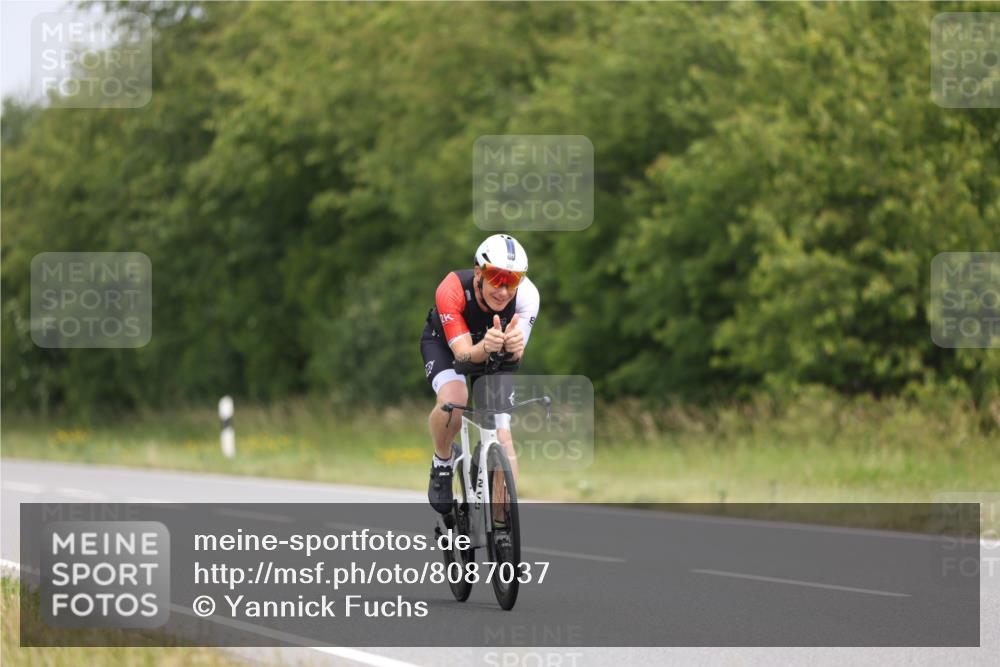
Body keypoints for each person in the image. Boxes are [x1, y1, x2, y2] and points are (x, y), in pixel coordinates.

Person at [420, 234, 539, 514]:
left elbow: (515, 355)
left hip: (492, 349)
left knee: (502, 430)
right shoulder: (451, 289)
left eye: (512, 280)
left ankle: (502, 523)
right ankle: (442, 462)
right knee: (455, 398)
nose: (503, 289)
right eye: (496, 277)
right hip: (447, 346)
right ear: (478, 272)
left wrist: (512, 347)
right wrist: (486, 346)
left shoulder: (528, 295)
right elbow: (462, 356)